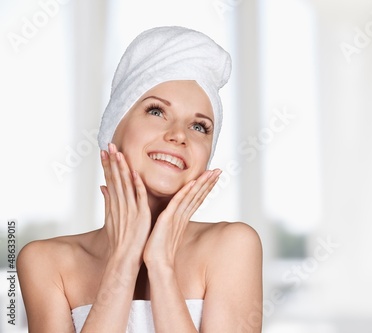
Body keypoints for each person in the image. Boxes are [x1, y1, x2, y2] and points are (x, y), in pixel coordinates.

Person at [17, 26, 263, 332]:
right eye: (157, 111)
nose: (178, 135)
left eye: (199, 127)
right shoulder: (45, 262)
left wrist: (161, 267)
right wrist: (123, 261)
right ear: (113, 129)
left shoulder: (233, 246)